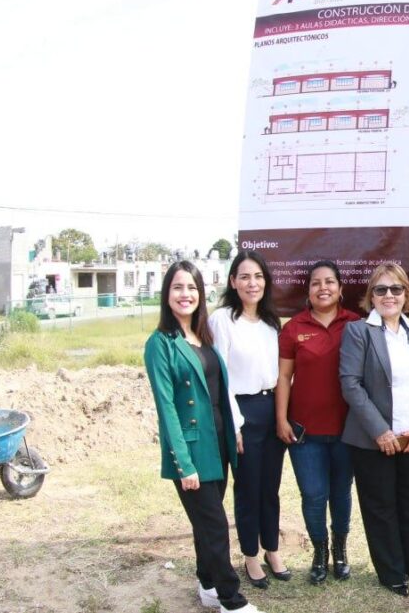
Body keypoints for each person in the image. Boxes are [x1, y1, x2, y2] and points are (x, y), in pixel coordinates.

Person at [144, 261, 264, 613]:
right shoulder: (160, 344)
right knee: (214, 525)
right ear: (167, 295)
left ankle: (207, 583)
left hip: (219, 444)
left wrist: (235, 431)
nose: (186, 294)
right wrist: (183, 465)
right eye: (178, 287)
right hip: (192, 451)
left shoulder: (204, 337)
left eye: (192, 287)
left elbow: (219, 393)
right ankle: (231, 598)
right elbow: (166, 409)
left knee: (205, 523)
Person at [339, 264, 409, 597]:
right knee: (380, 507)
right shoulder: (358, 332)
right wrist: (380, 431)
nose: (389, 296)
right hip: (372, 440)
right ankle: (392, 572)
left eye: (396, 289)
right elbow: (351, 384)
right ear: (371, 296)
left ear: (406, 294)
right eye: (381, 290)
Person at [275, 260, 361, 584]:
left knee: (341, 493)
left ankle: (340, 550)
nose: (322, 287)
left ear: (340, 288)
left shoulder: (356, 323)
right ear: (308, 291)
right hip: (304, 433)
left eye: (329, 282)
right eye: (315, 283)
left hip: (347, 431)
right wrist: (281, 419)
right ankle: (319, 551)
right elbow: (284, 377)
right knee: (313, 495)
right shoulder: (293, 328)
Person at [209, 250, 288, 589]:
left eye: (257, 276)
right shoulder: (223, 319)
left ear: (265, 281)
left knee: (271, 486)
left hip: (273, 410)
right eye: (244, 276)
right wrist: (236, 424)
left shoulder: (272, 322)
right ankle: (251, 555)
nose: (251, 283)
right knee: (248, 488)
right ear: (233, 282)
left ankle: (272, 548)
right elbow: (221, 377)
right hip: (242, 411)